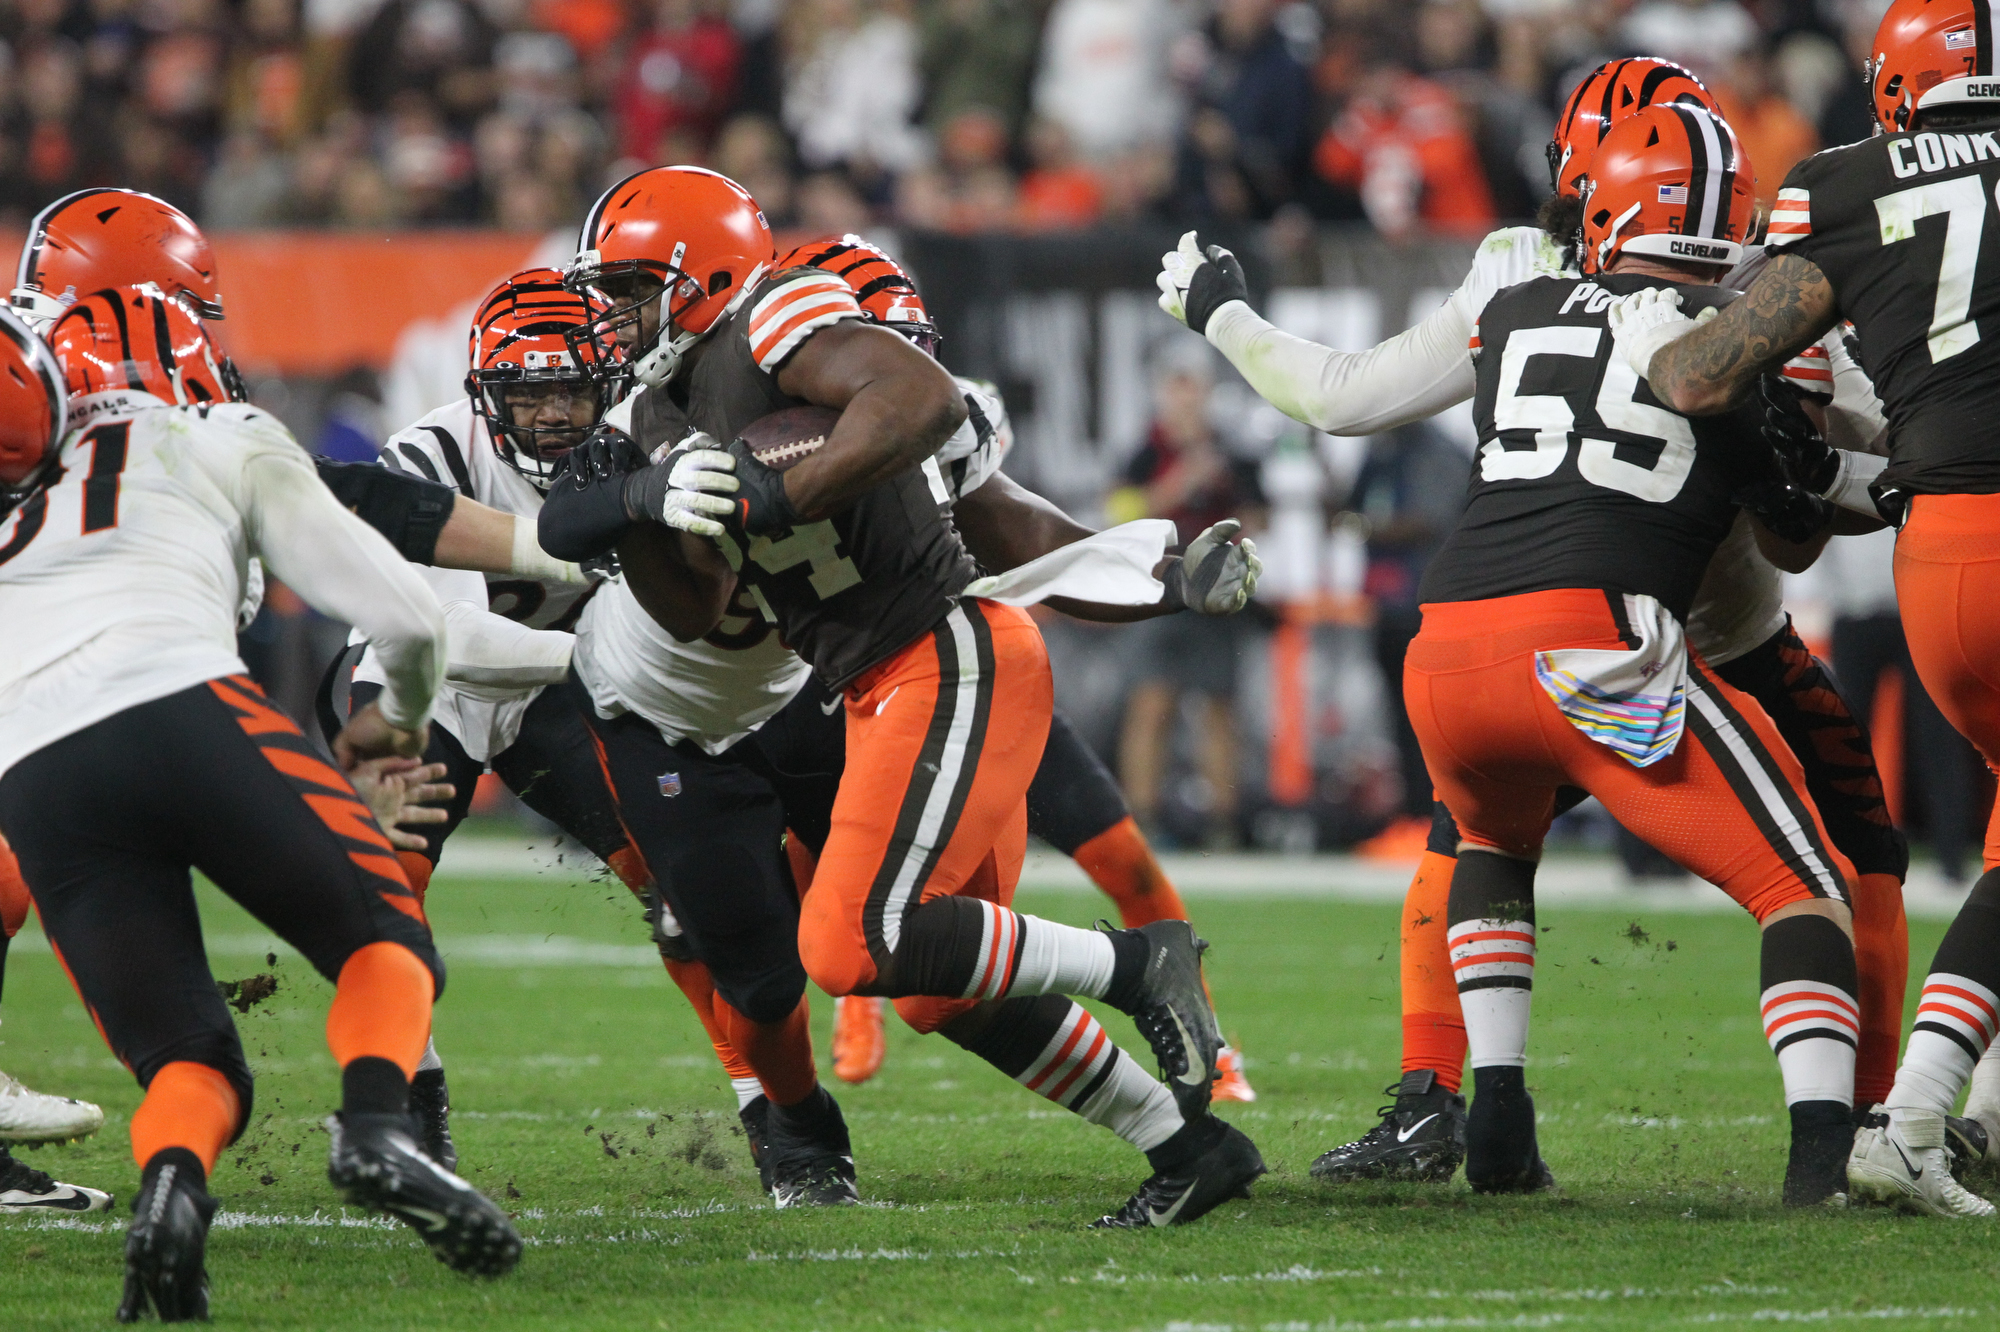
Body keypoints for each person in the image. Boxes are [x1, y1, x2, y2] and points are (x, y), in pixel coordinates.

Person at [1160, 56, 1913, 1191]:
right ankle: (1846, 1134)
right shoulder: (1752, 294)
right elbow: (1834, 481)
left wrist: (1216, 308)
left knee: (1474, 837)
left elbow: (1340, 395)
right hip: (1630, 624)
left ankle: (1463, 1104)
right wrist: (1917, 472)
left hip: (1494, 615)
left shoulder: (1515, 280)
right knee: (1827, 862)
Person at [542, 165, 1267, 1226]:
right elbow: (694, 609)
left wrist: (1155, 579)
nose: (613, 316)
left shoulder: (775, 311)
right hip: (867, 687)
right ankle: (1188, 1146)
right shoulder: (659, 408)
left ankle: (1136, 962)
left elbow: (927, 413)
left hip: (946, 652)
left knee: (843, 945)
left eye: (630, 286)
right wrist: (636, 508)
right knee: (931, 985)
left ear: (702, 275)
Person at [0, 292, 519, 1320]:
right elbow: (408, 619)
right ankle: (375, 1126)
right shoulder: (215, 431)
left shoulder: (21, 513)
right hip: (178, 698)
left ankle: (171, 1182)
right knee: (386, 941)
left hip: (35, 772)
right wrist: (395, 723)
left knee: (190, 1059)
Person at [1400, 104, 1866, 1205]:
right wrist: (1886, 475)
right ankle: (1818, 1165)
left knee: (1491, 844)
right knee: (1802, 889)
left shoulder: (1511, 307)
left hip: (1442, 649)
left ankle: (1495, 1119)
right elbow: (1794, 523)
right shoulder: (1717, 339)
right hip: (1583, 647)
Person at [1629, 0, 2000, 1218]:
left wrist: (1805, 463)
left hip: (1937, 544)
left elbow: (1692, 375)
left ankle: (1969, 1110)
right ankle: (1918, 1117)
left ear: (1893, 84)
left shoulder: (1841, 180)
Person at [1111, 351, 1265, 850]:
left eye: (1192, 386)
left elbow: (1259, 518)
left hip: (1214, 596)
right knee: (1152, 703)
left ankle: (1222, 822)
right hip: (1159, 590)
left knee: (1219, 707)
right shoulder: (1145, 454)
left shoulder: (1233, 454)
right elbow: (1119, 513)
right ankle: (1142, 818)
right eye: (1176, 386)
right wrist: (1181, 482)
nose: (1185, 398)